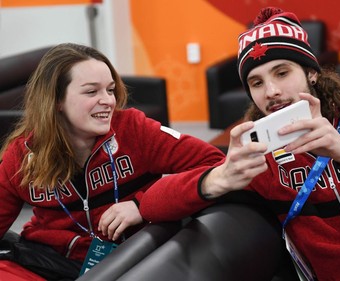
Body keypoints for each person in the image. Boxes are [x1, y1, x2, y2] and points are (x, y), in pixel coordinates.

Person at [139, 7, 340, 281]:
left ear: (311, 73)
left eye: (282, 73)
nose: (271, 91)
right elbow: (152, 205)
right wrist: (220, 177)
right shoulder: (260, 160)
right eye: (257, 82)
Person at [0, 43, 225, 280]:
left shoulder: (134, 130)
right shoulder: (22, 154)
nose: (108, 101)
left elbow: (214, 163)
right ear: (56, 100)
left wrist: (143, 205)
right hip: (49, 260)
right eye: (91, 92)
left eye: (110, 90)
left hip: (129, 258)